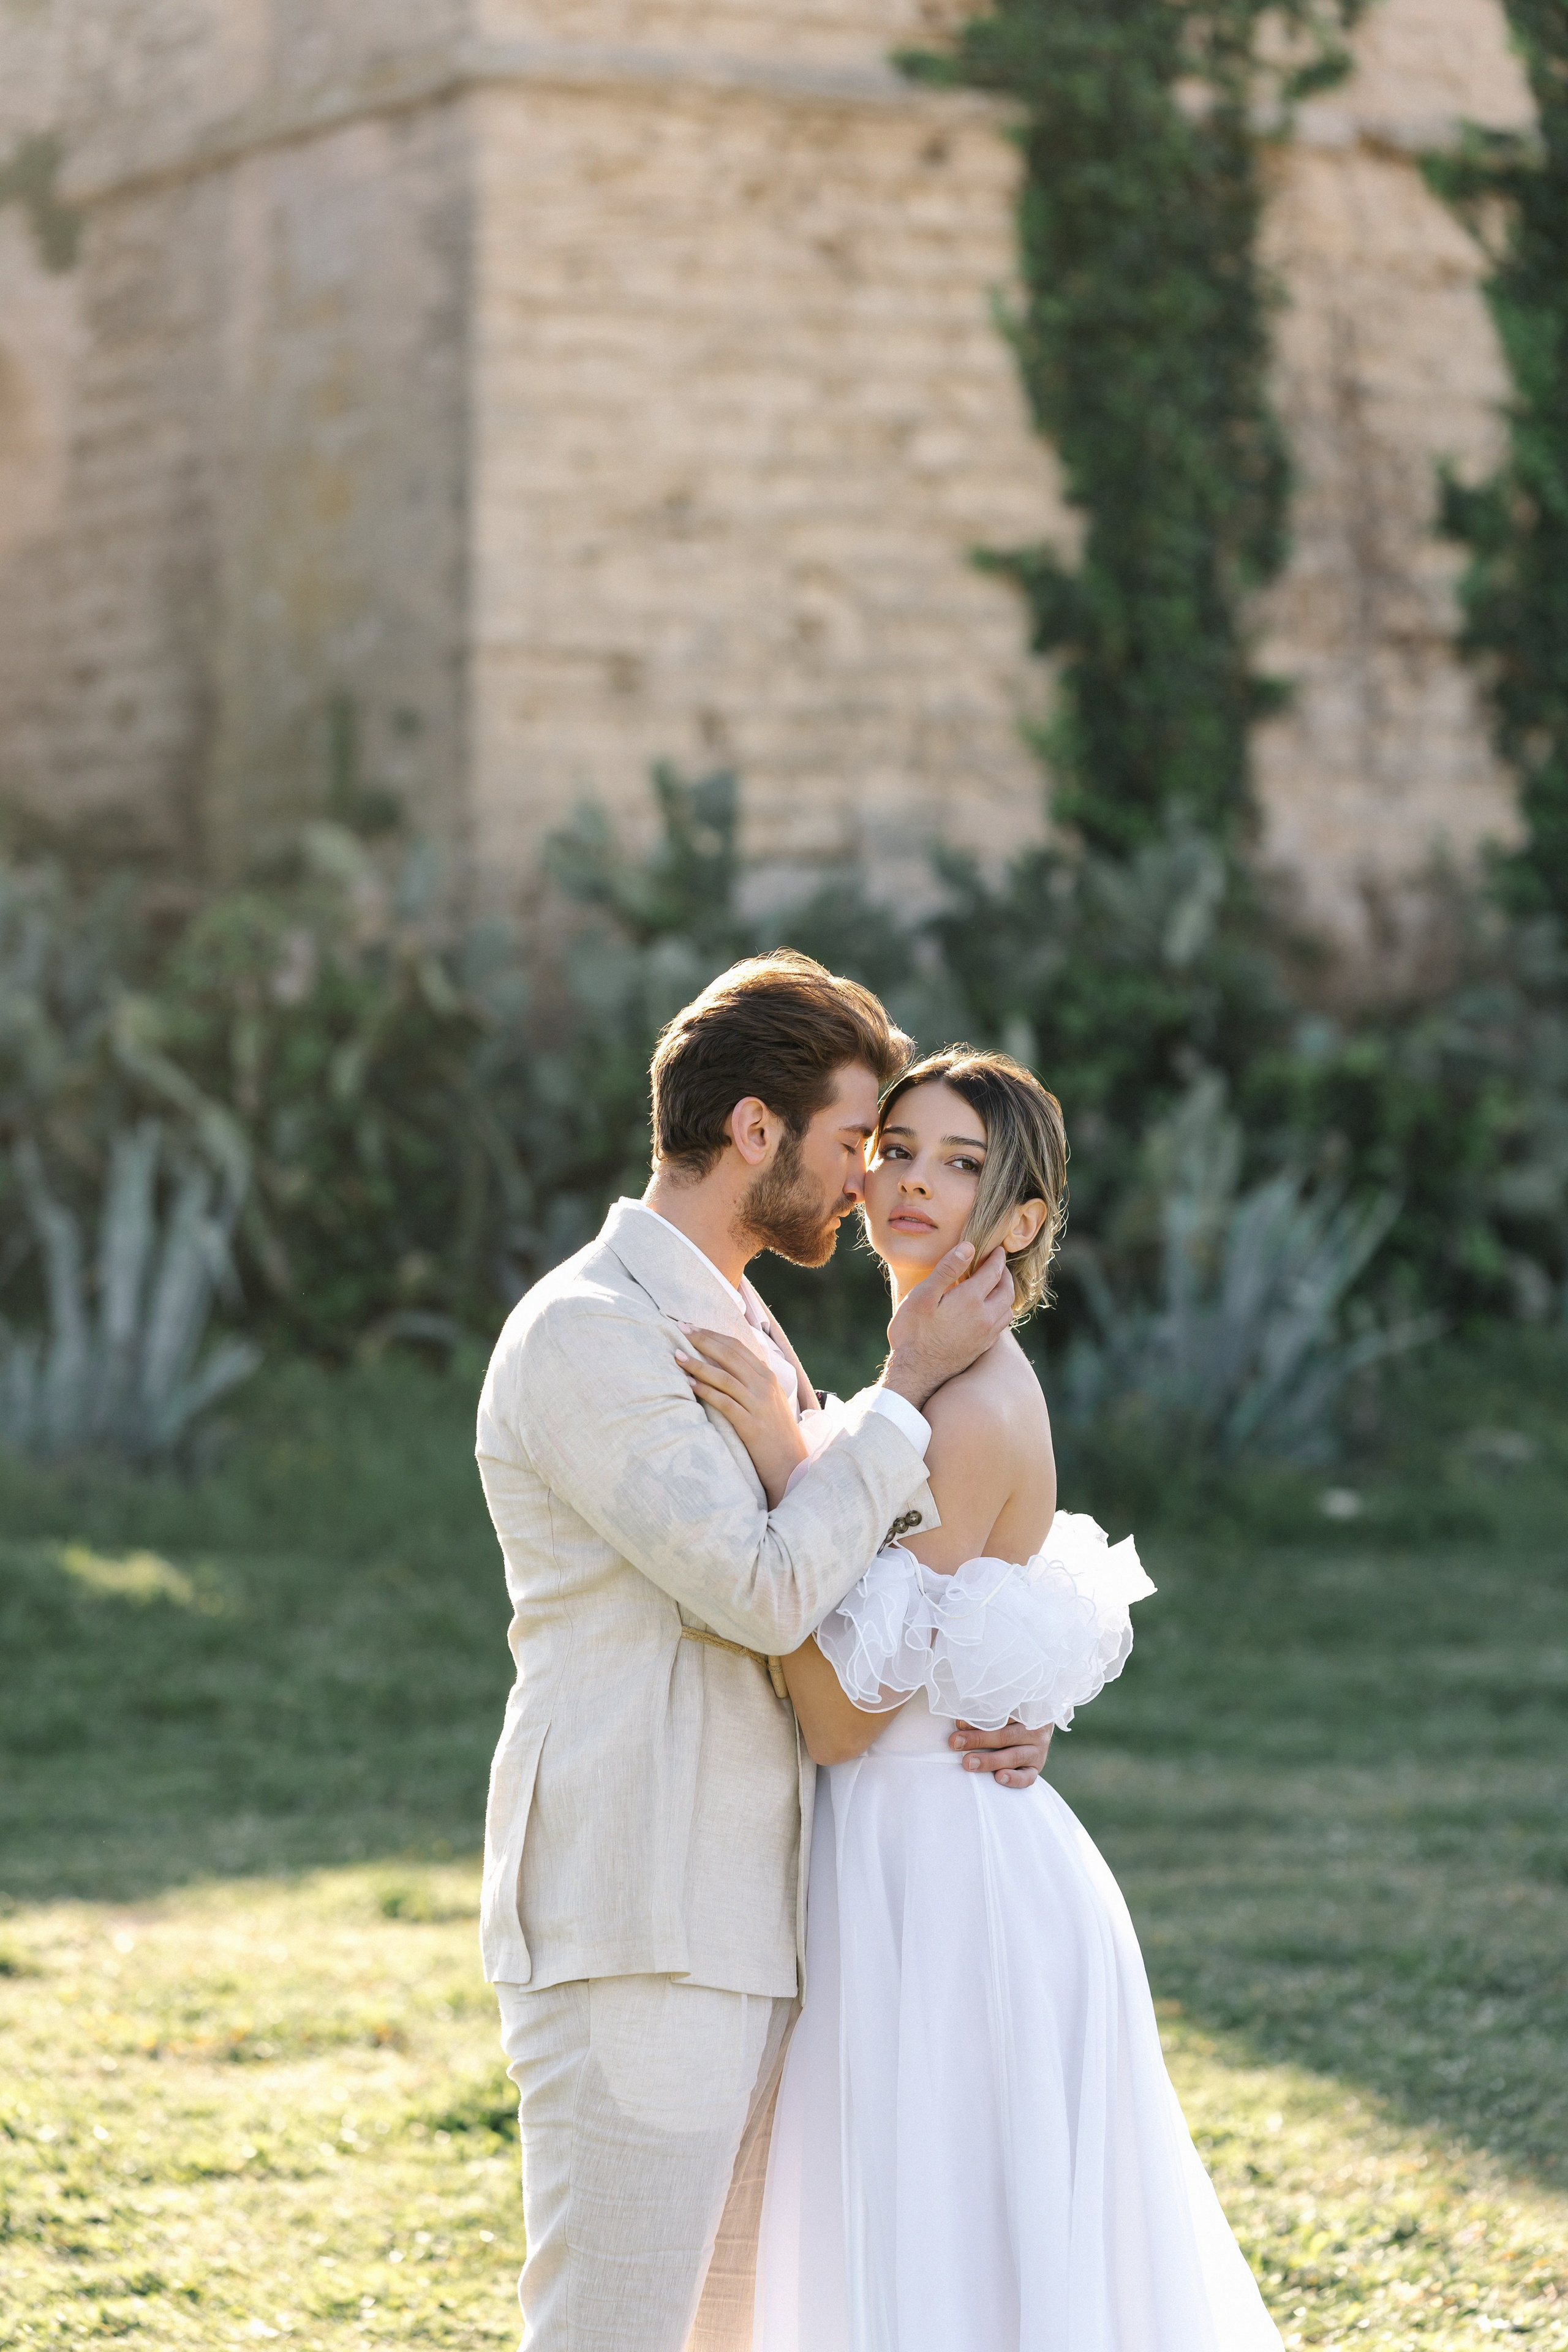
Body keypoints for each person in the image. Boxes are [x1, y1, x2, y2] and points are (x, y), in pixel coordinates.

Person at [474, 957, 1054, 2352]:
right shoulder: (591, 1332)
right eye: (858, 1142)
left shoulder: (743, 1321)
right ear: (752, 1132)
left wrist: (992, 1695)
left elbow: (880, 1584)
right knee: (613, 2330)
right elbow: (761, 1587)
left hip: (768, 1919)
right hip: (643, 1916)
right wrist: (900, 1395)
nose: (869, 1182)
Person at [679, 1048, 1285, 2352]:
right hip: (905, 1861)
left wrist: (779, 1480)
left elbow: (843, 1719)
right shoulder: (926, 1377)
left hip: (942, 1891)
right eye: (895, 1148)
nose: (910, 1182)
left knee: (946, 2265)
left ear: (1018, 1222)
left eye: (962, 1166)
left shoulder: (964, 1408)